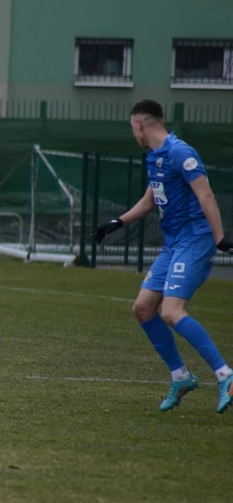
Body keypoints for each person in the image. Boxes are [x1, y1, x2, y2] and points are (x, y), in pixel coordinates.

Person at [93, 99, 233, 413]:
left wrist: (220, 238)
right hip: (173, 245)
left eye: (132, 128)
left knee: (171, 311)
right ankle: (181, 376)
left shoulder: (180, 152)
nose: (133, 134)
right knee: (143, 308)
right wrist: (117, 222)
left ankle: (226, 375)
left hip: (195, 241)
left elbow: (205, 194)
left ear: (140, 124)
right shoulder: (155, 157)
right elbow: (150, 201)